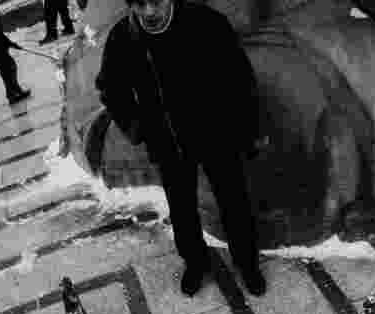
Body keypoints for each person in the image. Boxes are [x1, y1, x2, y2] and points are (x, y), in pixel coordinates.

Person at [95, 0, 268, 297]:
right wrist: (137, 126)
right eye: (139, 3)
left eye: (156, 1)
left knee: (233, 200)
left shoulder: (205, 22)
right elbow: (110, 87)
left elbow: (240, 77)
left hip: (216, 133)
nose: (149, 11)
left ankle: (247, 263)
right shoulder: (124, 36)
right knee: (182, 208)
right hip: (168, 140)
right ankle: (196, 263)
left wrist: (249, 128)